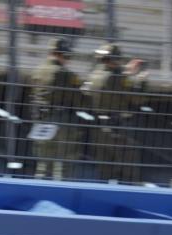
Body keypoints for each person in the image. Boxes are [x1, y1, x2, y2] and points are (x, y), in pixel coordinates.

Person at [82, 43, 149, 183]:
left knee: (105, 170)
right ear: (115, 59)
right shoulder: (118, 77)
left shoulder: (94, 75)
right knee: (128, 169)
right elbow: (138, 99)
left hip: (99, 129)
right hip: (117, 128)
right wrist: (141, 80)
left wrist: (126, 72)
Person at [28, 37, 82, 181]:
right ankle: (61, 191)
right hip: (60, 120)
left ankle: (40, 190)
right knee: (63, 162)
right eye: (68, 56)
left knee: (43, 161)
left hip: (40, 118)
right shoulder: (65, 74)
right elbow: (79, 98)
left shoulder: (37, 70)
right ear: (63, 55)